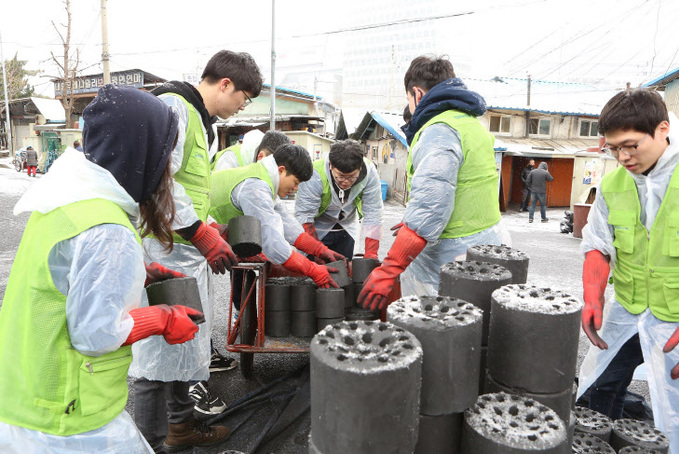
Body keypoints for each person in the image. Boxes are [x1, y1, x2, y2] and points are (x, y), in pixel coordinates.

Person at [0, 85, 204, 453]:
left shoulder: (67, 198)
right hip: (66, 417)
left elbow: (65, 269)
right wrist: (163, 318)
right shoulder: (109, 230)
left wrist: (142, 270)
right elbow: (95, 335)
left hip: (23, 395)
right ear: (141, 153)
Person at [128, 50, 263, 452]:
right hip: (164, 250)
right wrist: (198, 231)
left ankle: (181, 428)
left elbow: (188, 189)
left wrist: (208, 226)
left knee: (183, 343)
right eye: (245, 97)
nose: (243, 107)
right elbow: (160, 182)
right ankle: (148, 442)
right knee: (156, 351)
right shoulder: (176, 107)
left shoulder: (201, 122)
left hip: (182, 249)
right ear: (225, 84)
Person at [358, 55, 504, 308]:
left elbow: (431, 207)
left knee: (435, 330)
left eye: (408, 100)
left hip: (451, 256)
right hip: (487, 245)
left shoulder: (439, 130)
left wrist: (389, 269)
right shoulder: (472, 124)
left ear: (417, 93)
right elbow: (465, 186)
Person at [577, 88, 679, 451]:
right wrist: (593, 297)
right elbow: (598, 245)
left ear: (663, 128)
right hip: (630, 312)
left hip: (675, 321)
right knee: (600, 386)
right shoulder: (613, 186)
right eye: (614, 148)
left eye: (631, 145)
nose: (622, 157)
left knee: (674, 408)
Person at [210, 143, 343, 288]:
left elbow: (286, 223)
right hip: (189, 240)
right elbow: (272, 243)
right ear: (281, 170)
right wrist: (312, 270)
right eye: (296, 182)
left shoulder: (266, 179)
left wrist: (319, 249)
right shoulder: (256, 186)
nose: (296, 189)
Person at [295, 139, 384, 260]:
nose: (346, 182)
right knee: (314, 269)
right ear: (331, 165)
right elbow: (304, 216)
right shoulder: (314, 174)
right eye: (340, 176)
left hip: (346, 228)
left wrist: (371, 253)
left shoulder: (369, 173)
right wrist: (316, 251)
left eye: (352, 177)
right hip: (316, 229)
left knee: (343, 270)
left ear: (360, 167)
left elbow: (374, 212)